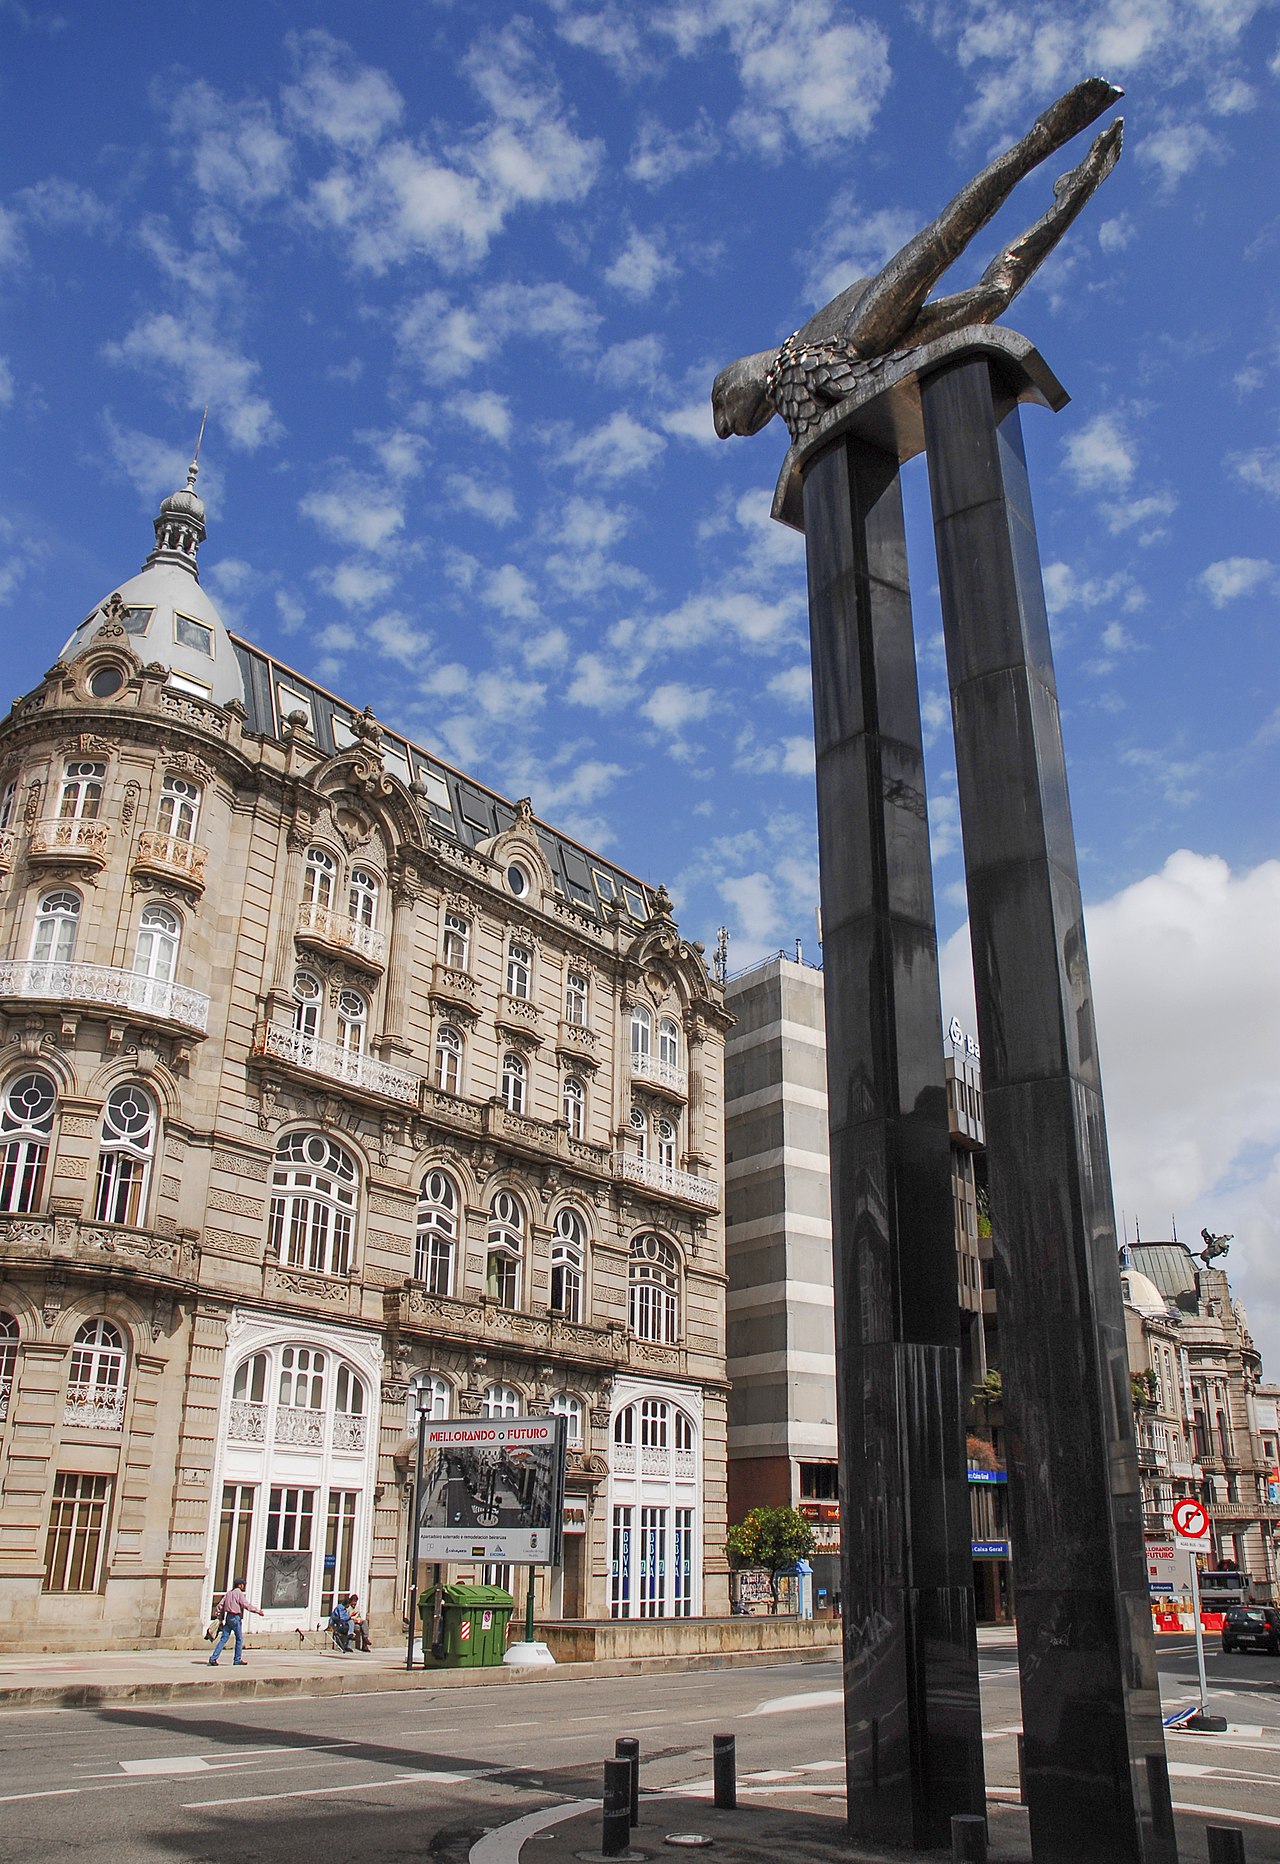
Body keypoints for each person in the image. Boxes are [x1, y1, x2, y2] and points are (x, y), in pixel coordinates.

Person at [712, 76, 1123, 446]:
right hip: (878, 359)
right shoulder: (788, 392)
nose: (726, 426)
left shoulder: (790, 361)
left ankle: (1050, 131)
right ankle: (1079, 187)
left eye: (722, 405)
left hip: (859, 332)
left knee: (946, 236)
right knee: (993, 296)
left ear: (737, 376)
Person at [208, 1576, 264, 1666]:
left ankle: (213, 1658)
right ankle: (237, 1659)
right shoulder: (239, 1593)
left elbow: (220, 1606)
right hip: (235, 1617)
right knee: (239, 1639)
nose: (243, 1586)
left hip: (228, 1617)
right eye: (243, 1584)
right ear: (240, 1585)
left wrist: (219, 1616)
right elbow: (245, 1605)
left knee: (223, 1639)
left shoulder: (229, 1593)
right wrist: (257, 1611)